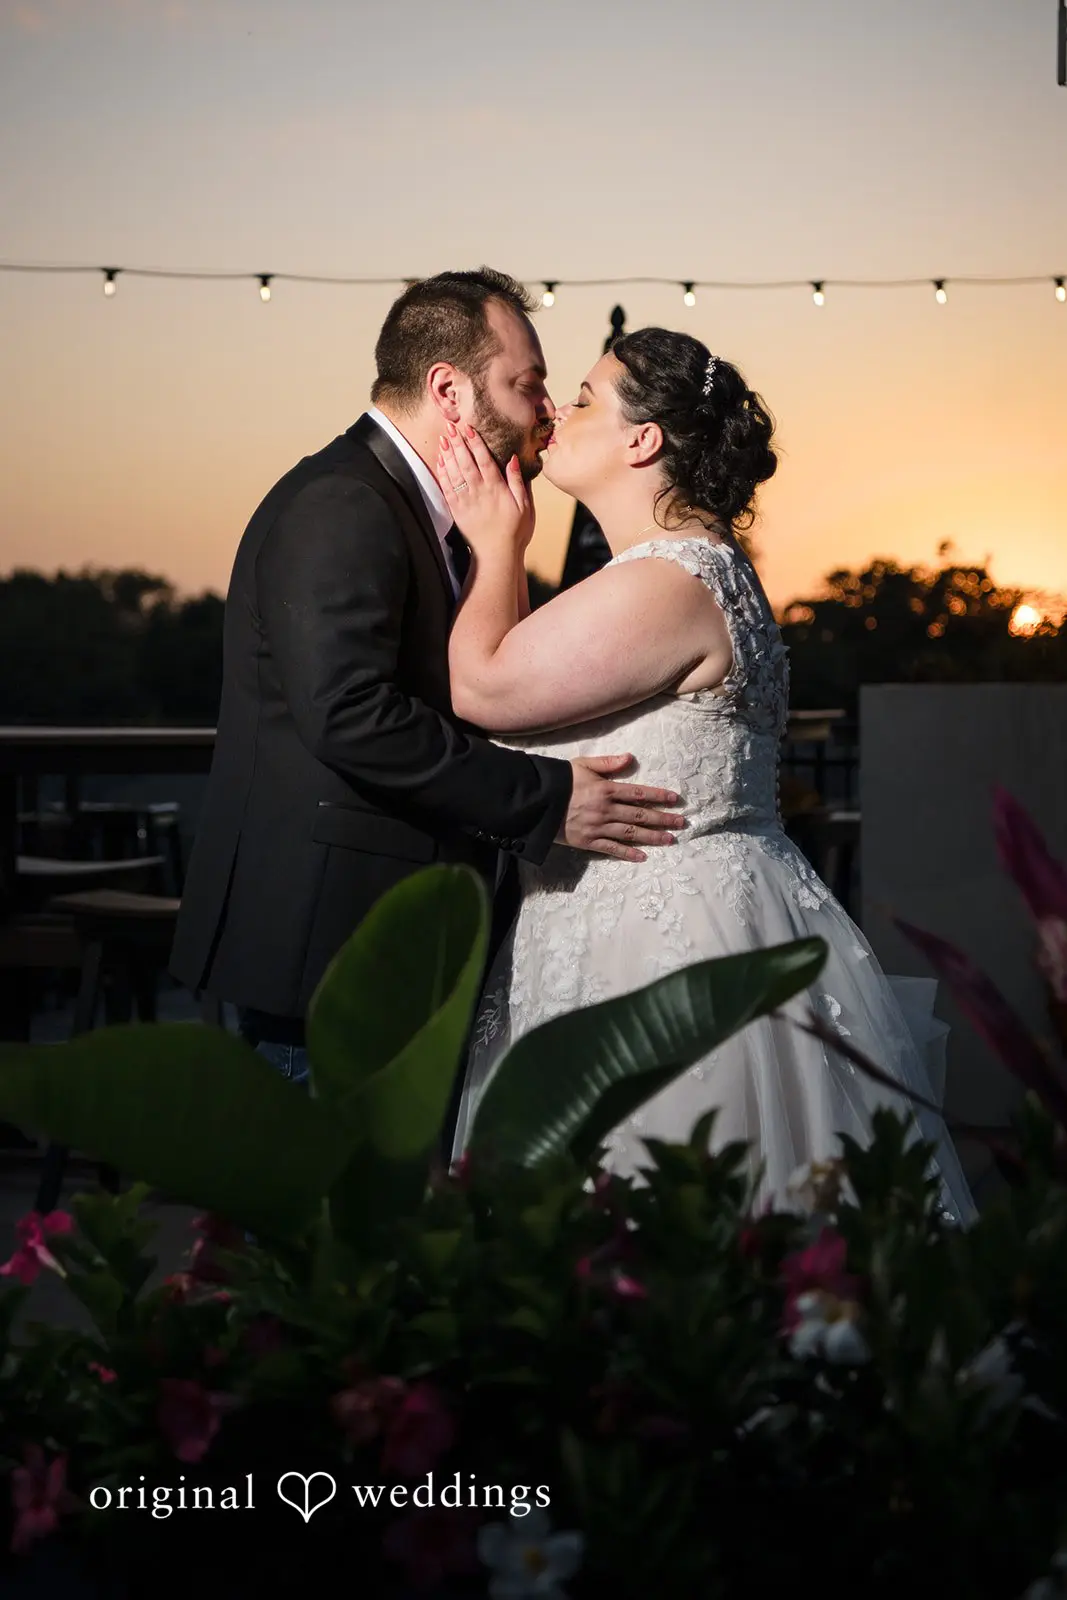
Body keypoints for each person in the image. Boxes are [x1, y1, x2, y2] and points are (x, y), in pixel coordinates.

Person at [439, 326, 974, 1220]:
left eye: (581, 397)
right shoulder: (683, 571)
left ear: (641, 441)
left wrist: (496, 544)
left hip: (655, 940)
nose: (554, 414)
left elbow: (482, 687)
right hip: (657, 910)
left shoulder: (671, 578)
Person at [169, 272, 686, 1087]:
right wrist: (548, 801)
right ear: (448, 389)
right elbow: (350, 714)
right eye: (527, 384)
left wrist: (498, 551)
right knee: (330, 1207)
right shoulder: (343, 501)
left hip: (398, 941)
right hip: (331, 944)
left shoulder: (441, 516)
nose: (545, 409)